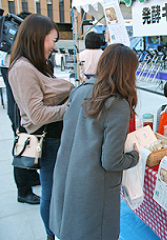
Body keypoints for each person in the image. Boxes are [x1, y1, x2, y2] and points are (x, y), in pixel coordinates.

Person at [49, 44, 140, 240]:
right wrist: (134, 156)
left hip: (69, 177)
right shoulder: (117, 104)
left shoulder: (81, 90)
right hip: (94, 190)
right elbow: (111, 161)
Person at [8, 14, 74, 240]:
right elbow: (35, 114)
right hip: (46, 140)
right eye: (52, 40)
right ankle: (52, 234)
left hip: (54, 137)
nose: (54, 46)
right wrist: (70, 107)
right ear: (37, 38)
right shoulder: (23, 68)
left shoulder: (34, 65)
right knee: (51, 192)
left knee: (54, 191)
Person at [0, 11, 42, 205]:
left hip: (20, 106)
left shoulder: (14, 52)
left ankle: (31, 176)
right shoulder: (17, 58)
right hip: (20, 108)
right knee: (23, 142)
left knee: (29, 142)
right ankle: (23, 191)